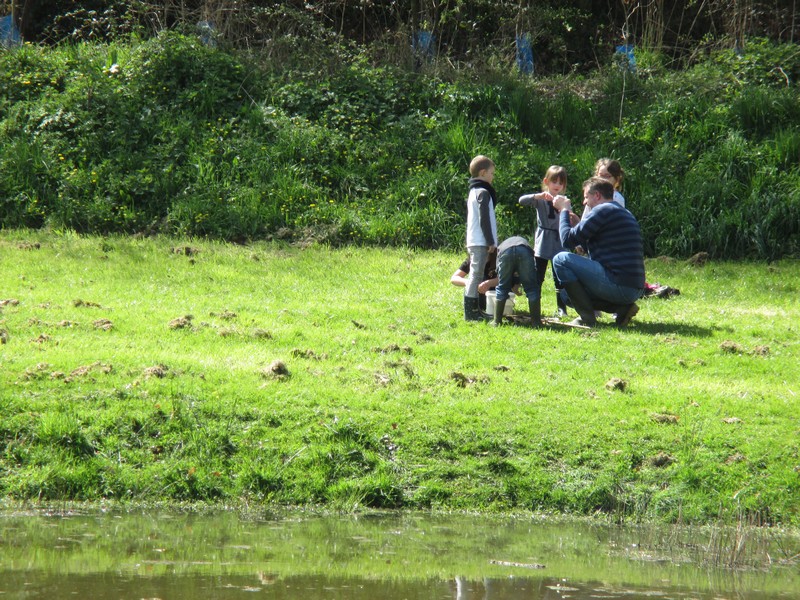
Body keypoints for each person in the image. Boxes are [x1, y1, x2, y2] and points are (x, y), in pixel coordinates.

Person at [552, 177, 645, 327]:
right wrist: (578, 225)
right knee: (567, 296)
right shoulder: (620, 211)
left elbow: (567, 241)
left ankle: (587, 319)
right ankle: (622, 308)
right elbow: (595, 249)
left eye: (586, 197)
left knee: (560, 260)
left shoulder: (602, 210)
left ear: (597, 196)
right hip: (632, 288)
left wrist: (563, 210)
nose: (584, 202)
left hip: (619, 284)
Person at [518, 165, 570, 317]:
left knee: (559, 277)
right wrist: (537, 196)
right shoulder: (540, 200)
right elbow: (522, 201)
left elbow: (568, 219)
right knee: (538, 275)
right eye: (554, 182)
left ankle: (562, 308)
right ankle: (535, 306)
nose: (557, 186)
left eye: (561, 183)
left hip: (558, 242)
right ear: (547, 182)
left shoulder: (564, 201)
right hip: (543, 241)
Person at [463, 155, 498, 321]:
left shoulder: (474, 191)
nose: (493, 177)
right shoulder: (483, 192)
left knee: (476, 274)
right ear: (483, 173)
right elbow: (484, 219)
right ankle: (470, 313)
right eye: (491, 173)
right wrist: (490, 240)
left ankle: (476, 309)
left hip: (477, 240)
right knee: (476, 275)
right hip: (480, 241)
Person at [490, 236, 541, 327]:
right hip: (524, 250)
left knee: (502, 287)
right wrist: (517, 282)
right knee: (532, 288)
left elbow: (500, 273)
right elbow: (524, 271)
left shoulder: (500, 247)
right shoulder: (524, 242)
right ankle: (536, 323)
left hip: (505, 251)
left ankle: (496, 322)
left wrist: (513, 283)